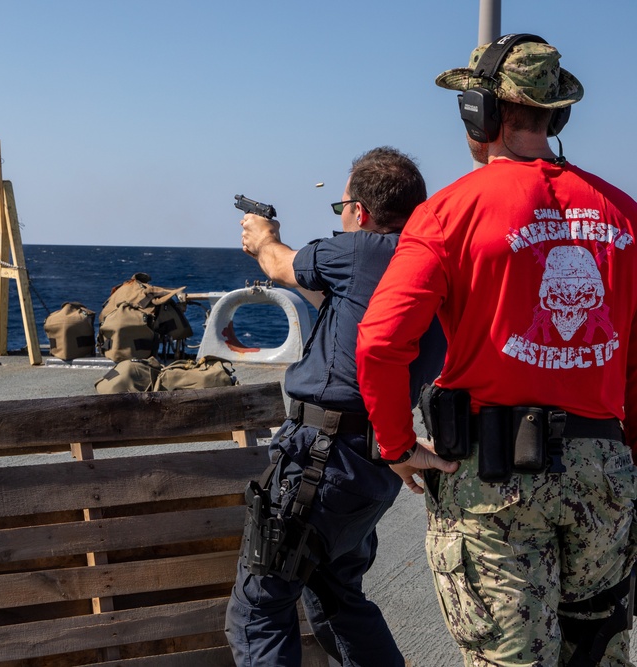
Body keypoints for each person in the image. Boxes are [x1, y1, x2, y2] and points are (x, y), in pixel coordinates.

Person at [355, 35, 637, 666]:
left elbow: (380, 341)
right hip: (605, 475)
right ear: (556, 114)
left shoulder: (450, 211)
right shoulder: (625, 214)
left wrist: (398, 445)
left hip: (494, 482)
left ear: (478, 113)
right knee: (598, 653)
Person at [225, 146, 447, 666]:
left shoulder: (361, 251)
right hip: (372, 465)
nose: (341, 218)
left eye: (341, 207)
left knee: (257, 610)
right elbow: (352, 308)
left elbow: (281, 264)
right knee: (337, 601)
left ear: (361, 213)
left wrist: (262, 237)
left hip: (320, 460)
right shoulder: (430, 265)